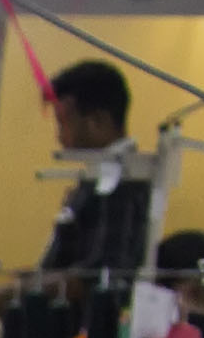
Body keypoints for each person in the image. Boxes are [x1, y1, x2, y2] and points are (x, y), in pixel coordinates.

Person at [32, 58, 158, 294]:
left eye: (64, 124)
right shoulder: (98, 179)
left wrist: (0, 294)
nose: (60, 138)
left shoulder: (123, 183)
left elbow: (98, 277)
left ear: (98, 121)